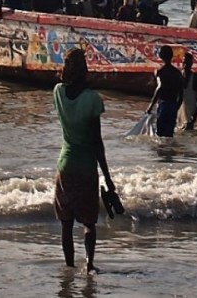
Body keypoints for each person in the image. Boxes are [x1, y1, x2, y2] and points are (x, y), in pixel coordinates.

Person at [53, 48, 115, 274]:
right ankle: (89, 265)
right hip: (86, 167)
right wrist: (107, 177)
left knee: (66, 224)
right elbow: (96, 142)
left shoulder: (58, 92)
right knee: (89, 223)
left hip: (64, 166)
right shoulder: (91, 99)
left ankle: (69, 266)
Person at [146, 46, 184, 138]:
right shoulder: (177, 73)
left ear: (161, 56)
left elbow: (160, 87)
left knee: (160, 134)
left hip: (163, 104)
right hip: (173, 104)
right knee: (169, 134)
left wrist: (150, 106)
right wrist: (176, 107)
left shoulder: (160, 71)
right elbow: (181, 93)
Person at [179, 53, 197, 131]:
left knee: (188, 135)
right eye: (184, 62)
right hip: (178, 116)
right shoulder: (178, 76)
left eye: (187, 62)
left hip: (189, 117)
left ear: (191, 64)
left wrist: (195, 114)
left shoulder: (195, 79)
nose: (185, 64)